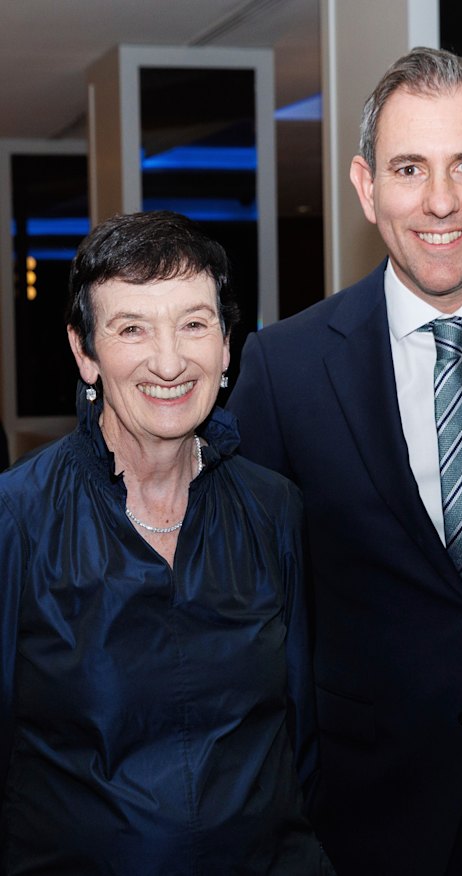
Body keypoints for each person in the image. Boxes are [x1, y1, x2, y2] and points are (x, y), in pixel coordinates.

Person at [227, 46, 462, 876]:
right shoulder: (285, 368)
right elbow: (244, 609)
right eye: (408, 168)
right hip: (372, 823)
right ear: (365, 186)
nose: (439, 201)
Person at [0, 210, 335, 875]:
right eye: (132, 329)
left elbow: (302, 737)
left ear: (227, 344)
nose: (170, 361)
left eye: (193, 324)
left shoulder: (274, 510)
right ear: (85, 352)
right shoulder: (16, 520)